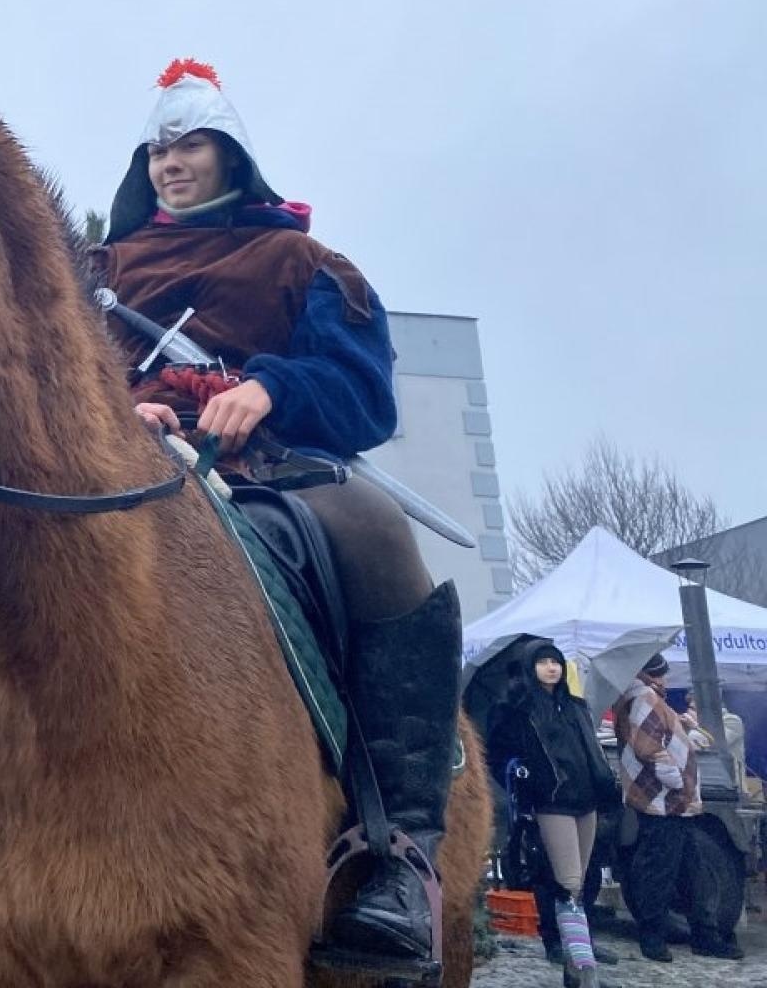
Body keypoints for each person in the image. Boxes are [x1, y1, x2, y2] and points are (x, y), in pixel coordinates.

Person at [85, 58, 463, 970]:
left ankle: (398, 853)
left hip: (268, 467)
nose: (171, 162)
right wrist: (112, 406)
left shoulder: (304, 263)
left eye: (192, 146)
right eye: (159, 150)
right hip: (112, 463)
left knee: (374, 531)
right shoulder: (98, 270)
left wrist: (269, 386)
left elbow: (367, 396)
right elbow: (51, 378)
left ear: (234, 157)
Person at [485, 640, 620, 986]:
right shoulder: (517, 709)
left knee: (581, 883)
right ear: (531, 667)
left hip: (586, 800)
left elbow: (590, 749)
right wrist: (520, 774)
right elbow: (497, 753)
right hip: (551, 802)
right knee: (568, 884)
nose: (551, 668)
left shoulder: (575, 706)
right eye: (543, 662)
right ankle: (583, 966)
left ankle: (575, 966)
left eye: (555, 662)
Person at [614, 652, 743, 961]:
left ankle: (705, 934)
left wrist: (684, 733)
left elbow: (661, 738)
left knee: (691, 869)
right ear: (654, 673)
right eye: (663, 672)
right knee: (659, 870)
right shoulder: (644, 697)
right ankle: (654, 936)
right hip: (662, 800)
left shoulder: (646, 697)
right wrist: (676, 779)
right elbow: (648, 746)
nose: (667, 678)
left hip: (674, 803)